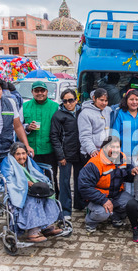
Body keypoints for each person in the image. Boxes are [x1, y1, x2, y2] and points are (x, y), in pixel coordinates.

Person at [0, 142, 63, 243]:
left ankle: (46, 227)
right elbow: (9, 180)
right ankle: (32, 232)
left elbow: (37, 172)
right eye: (18, 154)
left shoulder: (29, 161)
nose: (21, 157)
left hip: (33, 189)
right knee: (34, 201)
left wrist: (39, 183)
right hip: (18, 191)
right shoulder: (7, 162)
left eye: (23, 153)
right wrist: (25, 183)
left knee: (48, 197)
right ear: (13, 155)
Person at [78, 136, 138, 233]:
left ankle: (115, 216)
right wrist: (103, 200)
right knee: (102, 213)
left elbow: (127, 174)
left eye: (117, 147)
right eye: (112, 147)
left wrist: (132, 172)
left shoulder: (122, 158)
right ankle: (90, 221)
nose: (115, 150)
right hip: (98, 197)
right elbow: (84, 186)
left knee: (131, 204)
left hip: (116, 194)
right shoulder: (95, 163)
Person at [23, 81, 60, 197]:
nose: (39, 93)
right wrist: (28, 127)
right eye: (36, 91)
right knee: (32, 178)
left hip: (49, 149)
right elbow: (18, 126)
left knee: (51, 177)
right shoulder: (25, 106)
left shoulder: (55, 106)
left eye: (42, 91)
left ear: (47, 92)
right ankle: (35, 201)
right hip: (31, 150)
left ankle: (54, 200)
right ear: (32, 92)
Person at [50, 89, 83, 219]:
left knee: (80, 180)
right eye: (65, 101)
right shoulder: (58, 115)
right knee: (64, 182)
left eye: (71, 100)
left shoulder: (82, 113)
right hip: (65, 154)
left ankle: (80, 204)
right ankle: (66, 210)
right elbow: (54, 136)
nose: (68, 103)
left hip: (80, 153)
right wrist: (60, 155)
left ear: (76, 100)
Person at [111, 89, 138, 194]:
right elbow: (115, 134)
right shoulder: (120, 113)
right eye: (131, 99)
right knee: (125, 179)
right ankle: (125, 205)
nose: (134, 102)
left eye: (137, 99)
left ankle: (137, 204)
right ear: (126, 100)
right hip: (124, 153)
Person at [78, 88, 112, 162]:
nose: (104, 103)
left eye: (106, 101)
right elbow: (85, 136)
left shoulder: (108, 110)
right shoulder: (85, 114)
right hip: (91, 153)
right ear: (94, 98)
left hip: (106, 152)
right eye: (101, 100)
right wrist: (92, 150)